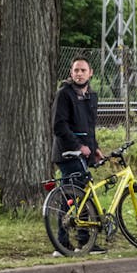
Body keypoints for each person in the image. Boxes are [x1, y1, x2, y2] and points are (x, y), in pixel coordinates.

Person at [51, 55, 105, 253]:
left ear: (90, 73)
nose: (79, 74)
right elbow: (59, 126)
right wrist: (78, 146)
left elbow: (90, 127)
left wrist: (95, 148)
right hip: (67, 153)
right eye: (76, 71)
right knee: (71, 196)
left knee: (82, 196)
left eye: (83, 70)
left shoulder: (91, 96)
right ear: (71, 73)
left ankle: (83, 241)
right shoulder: (64, 94)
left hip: (83, 154)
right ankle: (63, 243)